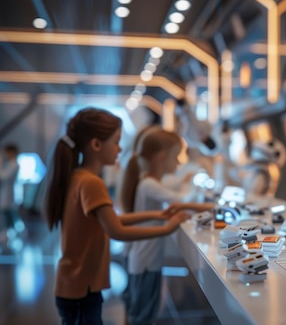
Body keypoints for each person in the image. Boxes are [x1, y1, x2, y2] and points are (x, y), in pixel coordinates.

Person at [45, 108, 191, 325]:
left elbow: (111, 220)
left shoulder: (80, 177)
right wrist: (168, 227)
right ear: (96, 145)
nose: (119, 149)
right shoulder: (92, 183)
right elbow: (117, 230)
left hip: (75, 285)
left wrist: (156, 214)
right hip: (81, 288)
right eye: (115, 142)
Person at [119, 128, 215, 325]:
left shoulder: (149, 183)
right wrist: (211, 203)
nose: (179, 163)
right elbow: (181, 200)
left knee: (142, 310)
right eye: (176, 156)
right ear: (162, 157)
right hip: (145, 261)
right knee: (143, 313)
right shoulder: (149, 185)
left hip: (146, 259)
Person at [0, 143, 21, 244]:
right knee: (8, 215)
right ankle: (9, 233)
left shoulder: (14, 164)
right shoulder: (11, 164)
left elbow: (3, 176)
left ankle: (7, 234)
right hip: (7, 194)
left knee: (8, 215)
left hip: (9, 195)